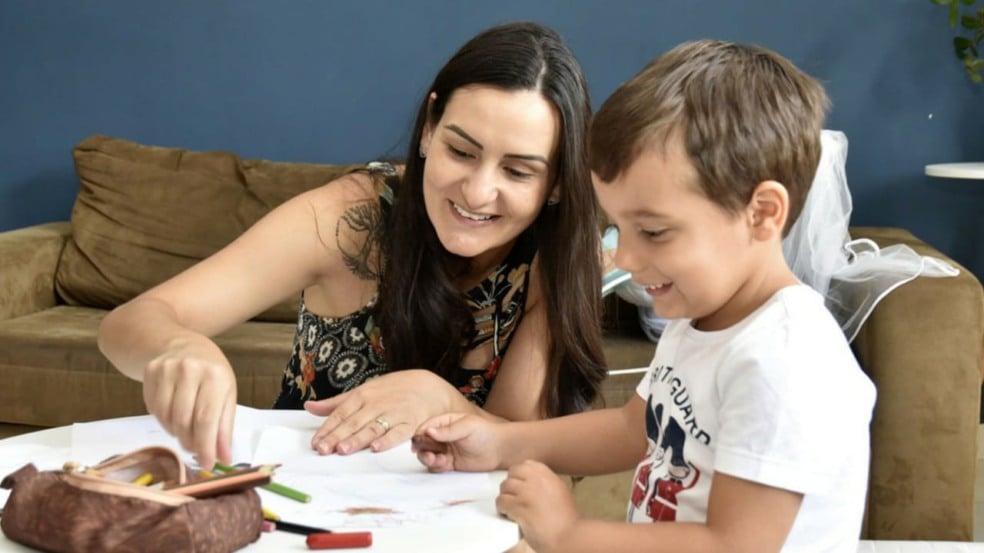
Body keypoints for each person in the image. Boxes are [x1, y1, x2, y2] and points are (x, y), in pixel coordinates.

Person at [412, 39, 877, 553]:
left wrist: (570, 534)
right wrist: (498, 442)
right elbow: (633, 428)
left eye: (653, 232)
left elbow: (736, 546)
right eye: (619, 228)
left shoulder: (784, 362)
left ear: (763, 213)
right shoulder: (704, 316)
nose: (627, 260)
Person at [97, 21, 608, 472]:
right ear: (429, 128)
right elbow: (128, 324)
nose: (476, 192)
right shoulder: (349, 218)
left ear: (559, 182)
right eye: (460, 150)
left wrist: (437, 398)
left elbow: (523, 446)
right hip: (303, 498)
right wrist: (177, 345)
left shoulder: (556, 256)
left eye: (518, 172)